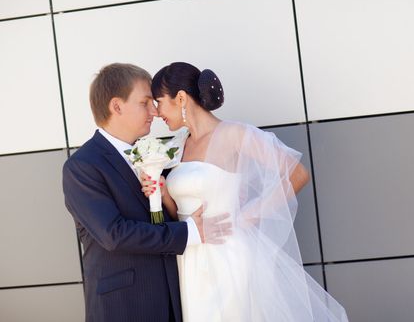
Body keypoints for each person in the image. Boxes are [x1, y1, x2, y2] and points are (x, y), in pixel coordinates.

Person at [140, 62, 349, 321]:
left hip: (228, 254)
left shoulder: (233, 134)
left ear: (180, 98)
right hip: (189, 258)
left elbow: (297, 174)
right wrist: (161, 192)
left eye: (159, 102)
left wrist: (247, 216)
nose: (157, 113)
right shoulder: (178, 144)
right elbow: (179, 211)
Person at [62, 63, 230, 322]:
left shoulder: (153, 154)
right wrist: (190, 231)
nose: (155, 111)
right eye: (145, 103)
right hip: (125, 305)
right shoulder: (83, 166)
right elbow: (114, 235)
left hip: (174, 299)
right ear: (117, 106)